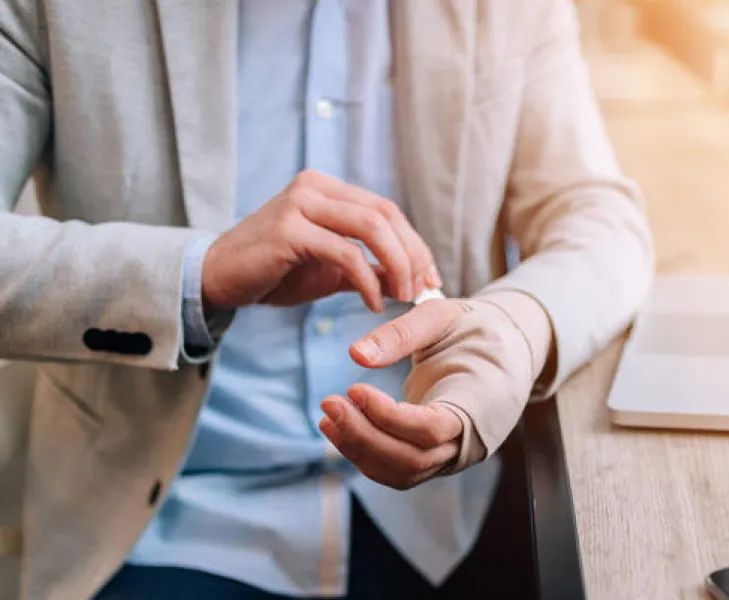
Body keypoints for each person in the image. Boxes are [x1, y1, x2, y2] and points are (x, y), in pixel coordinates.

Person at [0, 1, 654, 598]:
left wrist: (514, 327)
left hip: (453, 512)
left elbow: (597, 217)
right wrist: (200, 273)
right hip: (167, 518)